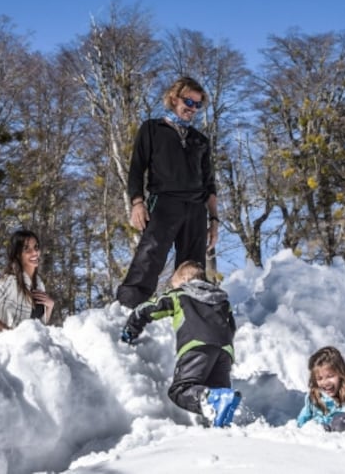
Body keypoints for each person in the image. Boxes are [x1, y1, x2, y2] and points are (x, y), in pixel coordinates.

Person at [116, 76, 219, 310]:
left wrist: (213, 220)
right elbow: (136, 169)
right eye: (189, 102)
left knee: (193, 267)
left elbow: (210, 185)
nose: (192, 109)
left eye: (197, 105)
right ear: (174, 99)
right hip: (163, 203)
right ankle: (128, 309)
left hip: (195, 208)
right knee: (149, 256)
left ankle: (191, 312)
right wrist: (137, 203)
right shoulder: (152, 129)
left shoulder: (199, 140)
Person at [120, 260, 240, 427]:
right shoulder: (222, 300)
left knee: (181, 390)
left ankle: (212, 400)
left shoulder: (180, 294)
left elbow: (150, 308)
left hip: (196, 347)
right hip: (224, 352)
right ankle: (220, 420)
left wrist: (131, 327)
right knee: (219, 394)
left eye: (174, 283)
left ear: (184, 279)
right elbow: (231, 326)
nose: (172, 287)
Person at [0, 229, 55, 332]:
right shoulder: (10, 281)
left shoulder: (39, 284)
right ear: (18, 254)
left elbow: (39, 326)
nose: (34, 252)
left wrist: (49, 307)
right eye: (27, 249)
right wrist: (6, 331)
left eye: (36, 247)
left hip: (29, 345)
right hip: (8, 346)